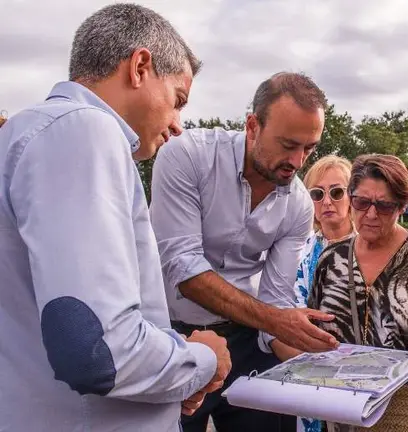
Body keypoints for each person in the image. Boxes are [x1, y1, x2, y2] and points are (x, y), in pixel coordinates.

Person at [0, 4, 232, 431]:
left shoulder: (25, 136)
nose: (179, 124)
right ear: (140, 67)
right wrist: (201, 359)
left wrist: (166, 371)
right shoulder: (85, 130)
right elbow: (96, 350)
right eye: (178, 100)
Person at [149, 71, 339, 432]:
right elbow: (183, 269)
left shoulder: (298, 202)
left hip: (247, 336)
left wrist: (309, 353)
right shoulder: (186, 155)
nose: (298, 162)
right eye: (288, 144)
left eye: (309, 148)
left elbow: (277, 297)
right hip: (170, 334)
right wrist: (275, 320)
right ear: (252, 125)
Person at [307, 154, 408, 432]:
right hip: (343, 413)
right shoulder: (331, 260)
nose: (371, 214)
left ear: (402, 206)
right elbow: (313, 336)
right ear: (350, 198)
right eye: (361, 202)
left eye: (384, 206)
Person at [272, 155, 357, 432]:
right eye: (317, 194)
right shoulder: (297, 247)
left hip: (359, 373)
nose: (327, 201)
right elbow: (280, 306)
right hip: (305, 368)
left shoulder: (369, 247)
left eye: (337, 192)